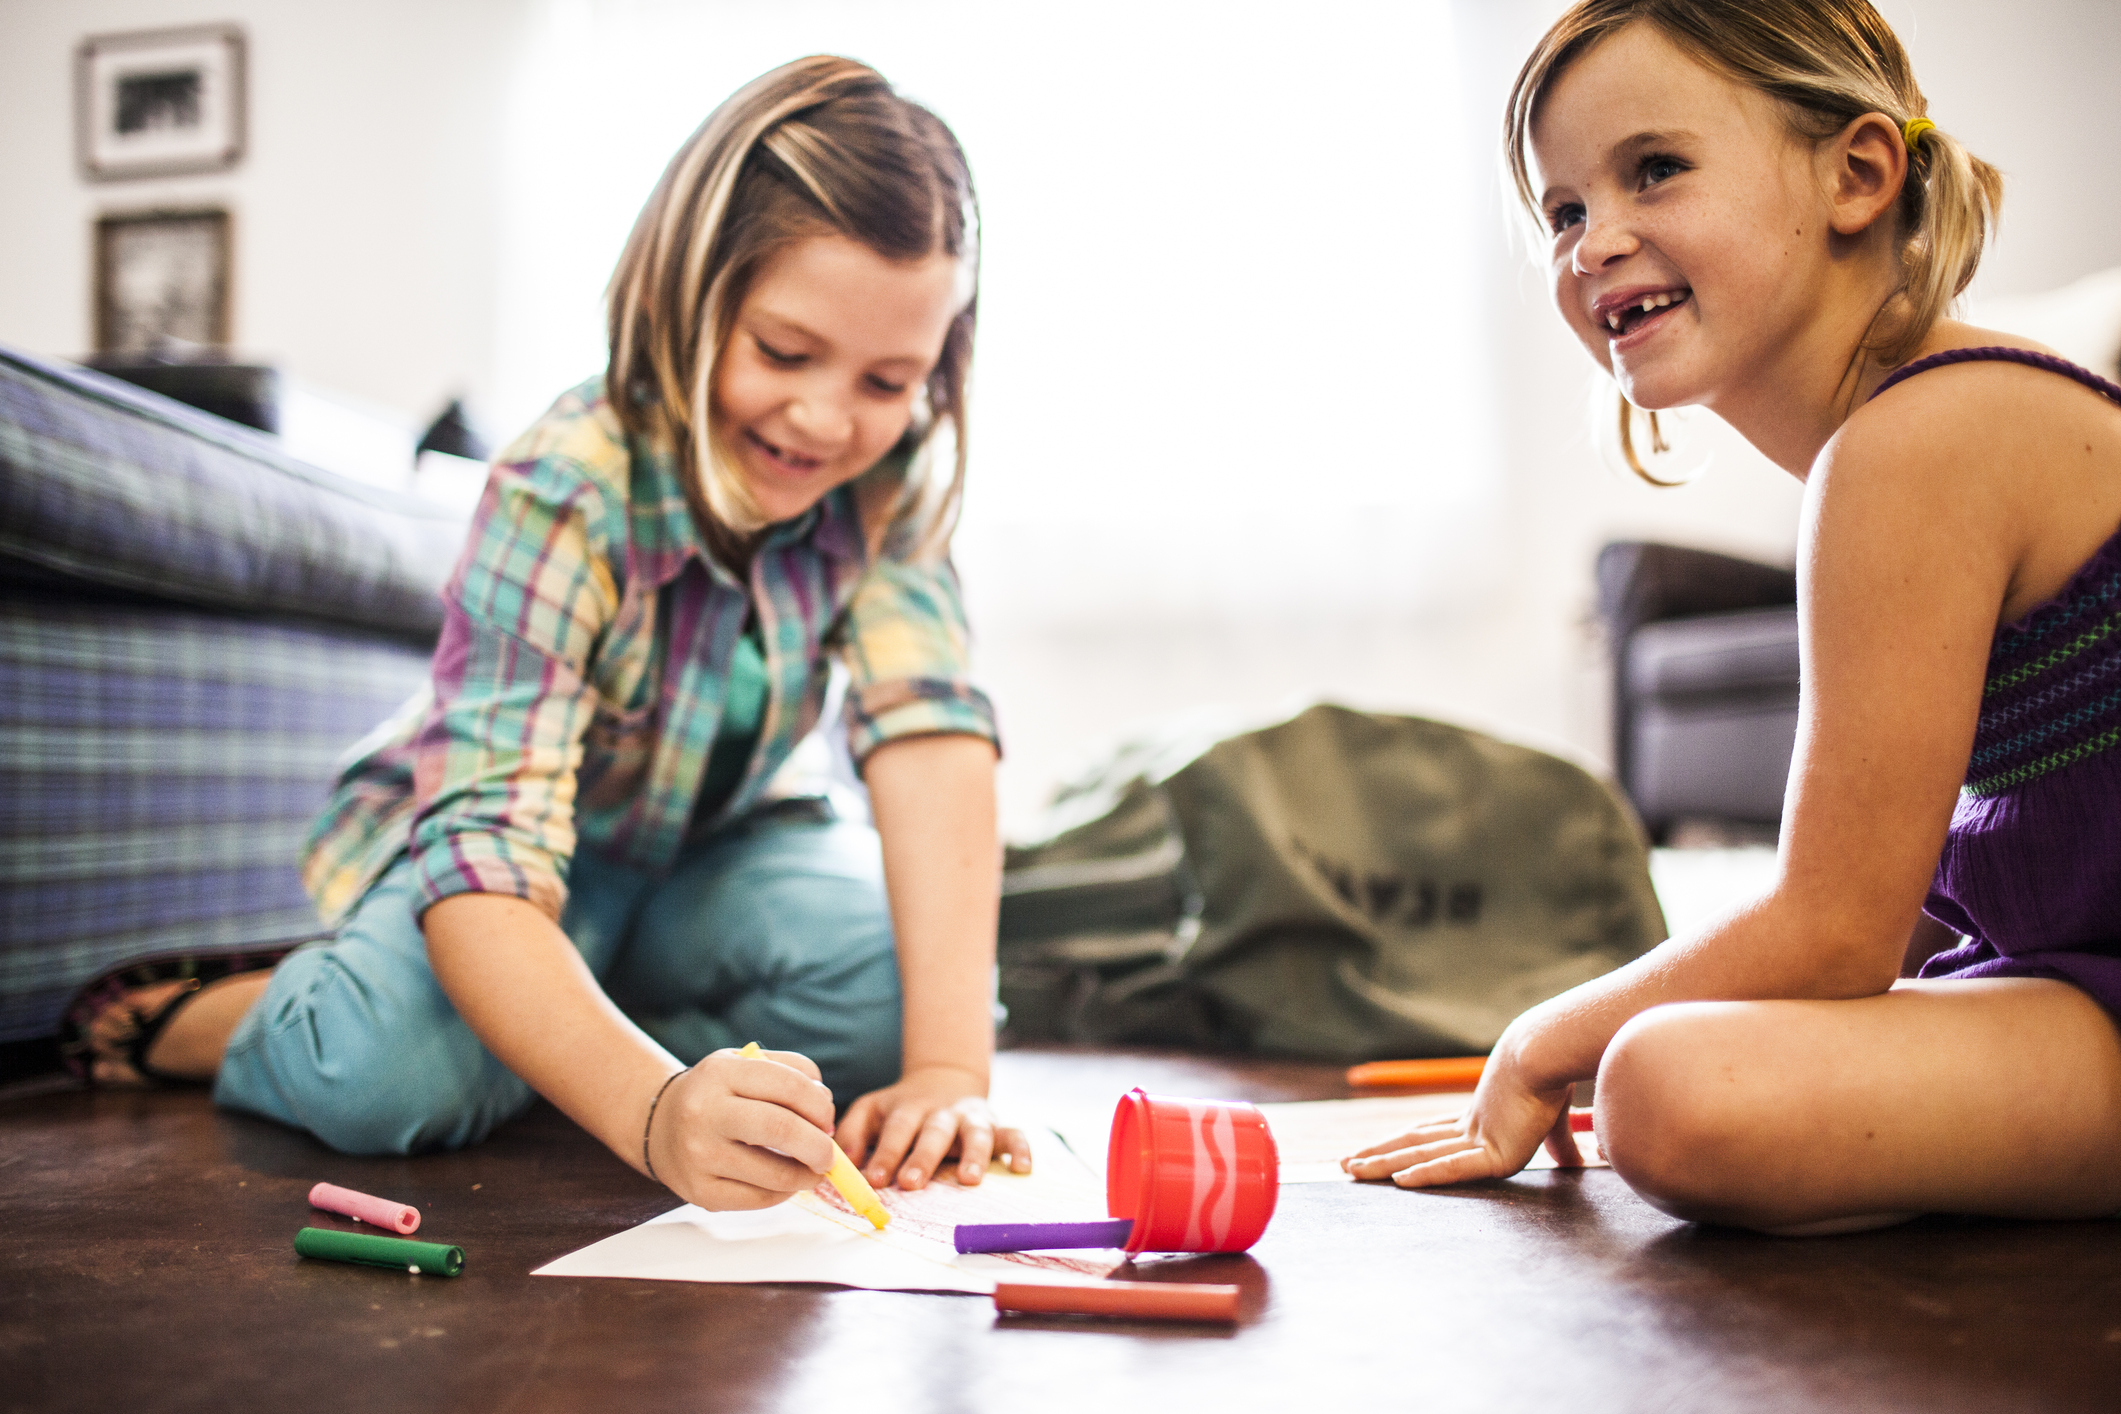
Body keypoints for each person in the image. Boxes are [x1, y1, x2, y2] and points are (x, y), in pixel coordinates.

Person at [65, 55, 1032, 1211]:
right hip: (515, 875)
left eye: (889, 380)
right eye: (783, 353)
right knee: (378, 1081)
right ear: (687, 296)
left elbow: (930, 738)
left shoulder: (889, 484)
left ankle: (560, 1026)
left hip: (703, 864)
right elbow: (485, 859)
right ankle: (218, 1014)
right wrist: (657, 1111)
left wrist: (948, 1070)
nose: (827, 419)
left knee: (904, 998)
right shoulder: (564, 483)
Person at [1344, 0, 2121, 1232]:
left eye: (1655, 170)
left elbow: (1833, 930)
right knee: (1682, 1053)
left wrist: (1546, 1038)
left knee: (1662, 1079)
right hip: (2073, 981)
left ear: (1858, 173)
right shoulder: (1888, 450)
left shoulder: (1924, 437)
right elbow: (1907, 884)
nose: (1594, 242)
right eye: (1564, 210)